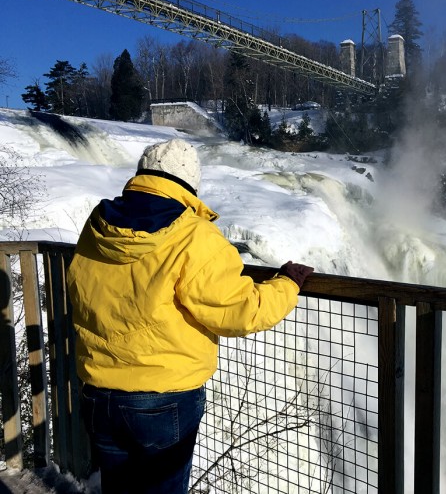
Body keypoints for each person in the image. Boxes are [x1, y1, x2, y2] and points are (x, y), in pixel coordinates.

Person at [66, 138, 313, 494]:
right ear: (189, 184)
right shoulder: (193, 234)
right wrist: (287, 284)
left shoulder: (99, 224)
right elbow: (239, 311)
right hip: (162, 397)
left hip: (99, 392)